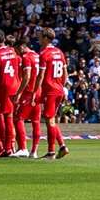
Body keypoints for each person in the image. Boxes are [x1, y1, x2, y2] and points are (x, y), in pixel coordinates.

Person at [36, 28, 69, 160]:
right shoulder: (59, 52)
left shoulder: (44, 54)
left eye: (40, 36)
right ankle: (62, 146)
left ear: (45, 38)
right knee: (52, 119)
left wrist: (36, 90)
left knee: (49, 120)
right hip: (59, 89)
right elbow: (65, 74)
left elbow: (41, 75)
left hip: (50, 90)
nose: (38, 39)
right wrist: (63, 87)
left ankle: (51, 152)